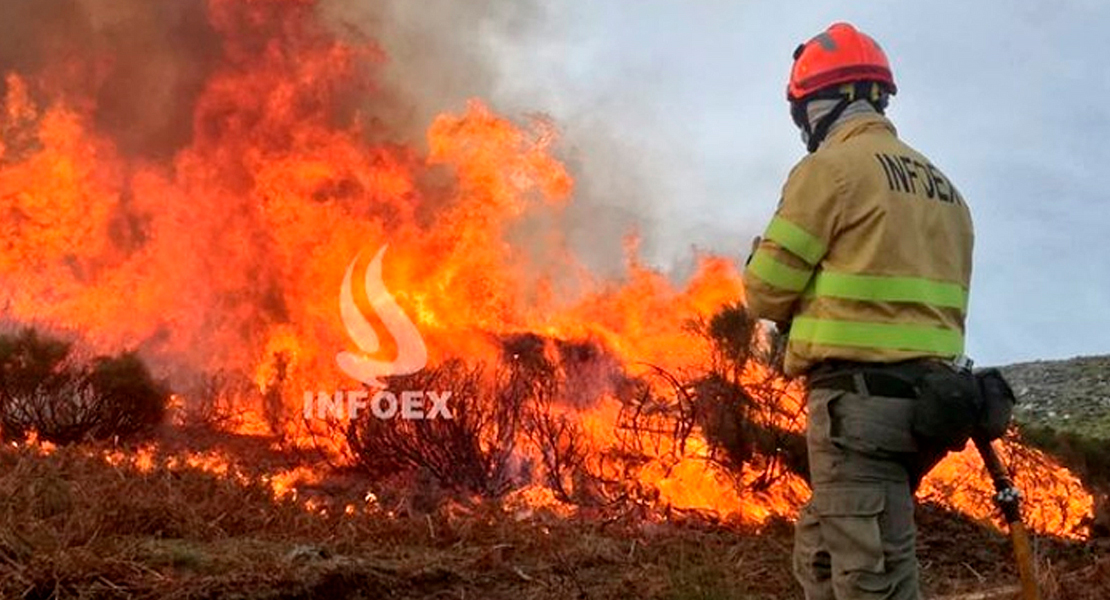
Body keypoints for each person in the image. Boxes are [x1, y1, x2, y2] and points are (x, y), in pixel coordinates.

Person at [742, 22, 976, 600]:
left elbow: (764, 293)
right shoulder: (944, 189)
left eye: (802, 110)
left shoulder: (831, 170)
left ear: (822, 103)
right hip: (929, 407)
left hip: (859, 409)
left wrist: (763, 264)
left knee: (873, 579)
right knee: (822, 551)